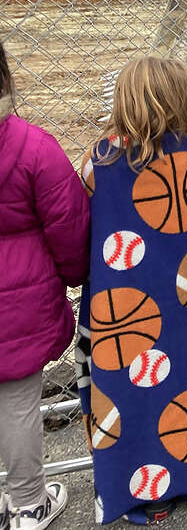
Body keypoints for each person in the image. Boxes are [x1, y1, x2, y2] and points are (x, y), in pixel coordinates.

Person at [79, 56, 187, 523]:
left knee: (133, 391)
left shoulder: (100, 159)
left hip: (122, 300)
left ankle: (144, 491)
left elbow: (85, 232)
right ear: (184, 96)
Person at [0, 42, 88, 530]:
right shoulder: (34, 147)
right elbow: (70, 227)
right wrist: (74, 275)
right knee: (16, 404)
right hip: (18, 305)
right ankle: (29, 503)